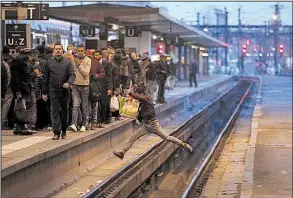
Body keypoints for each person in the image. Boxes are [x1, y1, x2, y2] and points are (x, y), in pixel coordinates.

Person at [113, 87, 193, 159]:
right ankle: (122, 153)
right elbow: (140, 117)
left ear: (141, 94)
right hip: (146, 126)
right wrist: (135, 115)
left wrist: (130, 93)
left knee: (167, 137)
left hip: (154, 125)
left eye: (138, 95)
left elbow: (147, 110)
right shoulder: (141, 104)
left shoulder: (148, 98)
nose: (137, 98)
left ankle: (184, 145)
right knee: (133, 138)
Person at [42, 43, 76, 140]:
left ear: (62, 50)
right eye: (56, 49)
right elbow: (46, 78)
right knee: (54, 111)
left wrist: (69, 83)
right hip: (53, 89)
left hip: (65, 90)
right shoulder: (49, 62)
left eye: (59, 49)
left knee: (64, 111)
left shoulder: (68, 62)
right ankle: (56, 132)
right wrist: (44, 92)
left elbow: (72, 74)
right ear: (54, 51)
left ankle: (64, 130)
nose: (58, 50)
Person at [10, 48, 40, 134]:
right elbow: (24, 77)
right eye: (30, 55)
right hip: (21, 90)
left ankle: (19, 127)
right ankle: (22, 126)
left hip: (22, 89)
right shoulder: (20, 65)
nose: (31, 57)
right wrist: (35, 74)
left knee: (21, 107)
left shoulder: (19, 64)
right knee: (21, 108)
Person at [68, 44, 91, 132]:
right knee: (75, 105)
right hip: (75, 85)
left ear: (84, 51)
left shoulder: (88, 60)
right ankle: (74, 124)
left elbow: (86, 73)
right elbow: (71, 72)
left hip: (84, 86)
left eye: (82, 51)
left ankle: (84, 124)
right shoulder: (73, 60)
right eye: (79, 51)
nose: (80, 52)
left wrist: (79, 65)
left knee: (84, 107)